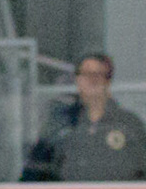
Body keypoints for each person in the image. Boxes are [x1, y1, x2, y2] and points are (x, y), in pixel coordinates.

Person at [22, 53, 146, 182]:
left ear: (108, 81)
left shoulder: (129, 124)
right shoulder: (61, 124)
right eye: (86, 74)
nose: (92, 80)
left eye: (98, 74)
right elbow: (35, 172)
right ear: (77, 80)